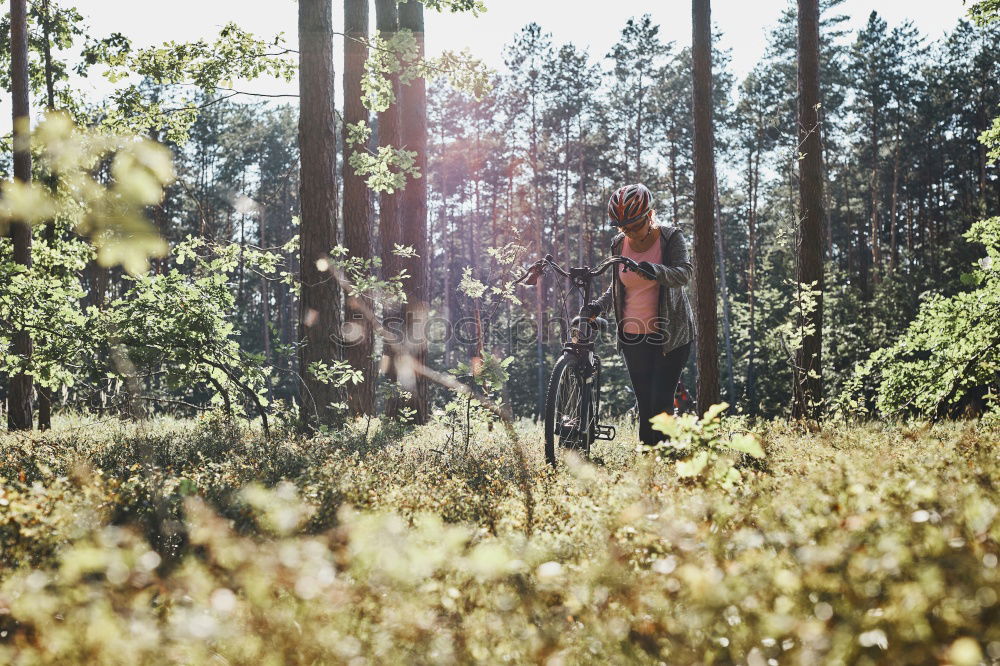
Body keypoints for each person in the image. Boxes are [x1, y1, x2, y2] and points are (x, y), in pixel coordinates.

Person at [586, 183, 695, 447]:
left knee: (661, 400)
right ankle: (648, 463)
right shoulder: (618, 243)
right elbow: (618, 286)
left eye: (634, 225)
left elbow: (684, 274)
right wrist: (599, 306)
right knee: (645, 403)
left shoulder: (670, 238)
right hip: (633, 336)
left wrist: (655, 270)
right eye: (624, 227)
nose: (630, 232)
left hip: (670, 335)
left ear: (649, 215)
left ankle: (669, 459)